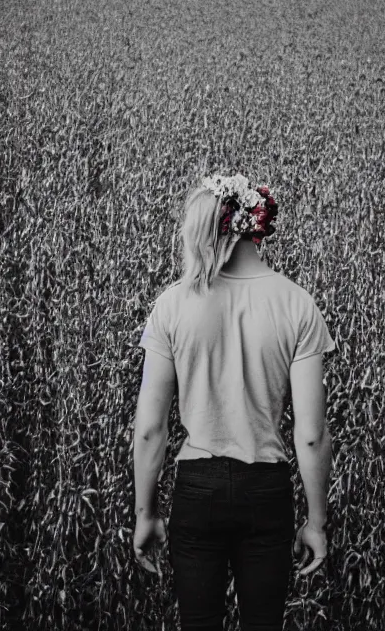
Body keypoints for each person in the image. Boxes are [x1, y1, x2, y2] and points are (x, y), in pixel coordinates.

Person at [133, 173, 335, 631]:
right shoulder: (296, 304)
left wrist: (146, 514)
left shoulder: (173, 304)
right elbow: (311, 434)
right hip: (266, 491)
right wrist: (316, 523)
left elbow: (150, 428)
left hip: (197, 488)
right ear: (256, 225)